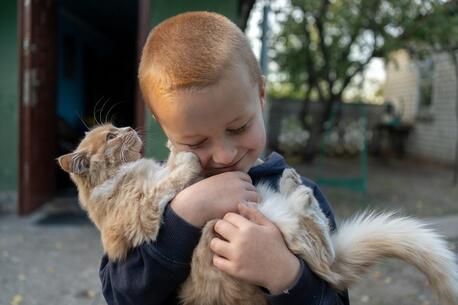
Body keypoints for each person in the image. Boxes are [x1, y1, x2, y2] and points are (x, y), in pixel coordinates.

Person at [99, 11, 349, 305]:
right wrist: (181, 218)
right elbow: (118, 295)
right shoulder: (150, 201)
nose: (225, 154)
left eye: (239, 127)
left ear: (261, 94)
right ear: (163, 126)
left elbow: (336, 299)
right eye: (196, 142)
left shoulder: (299, 195)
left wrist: (286, 275)